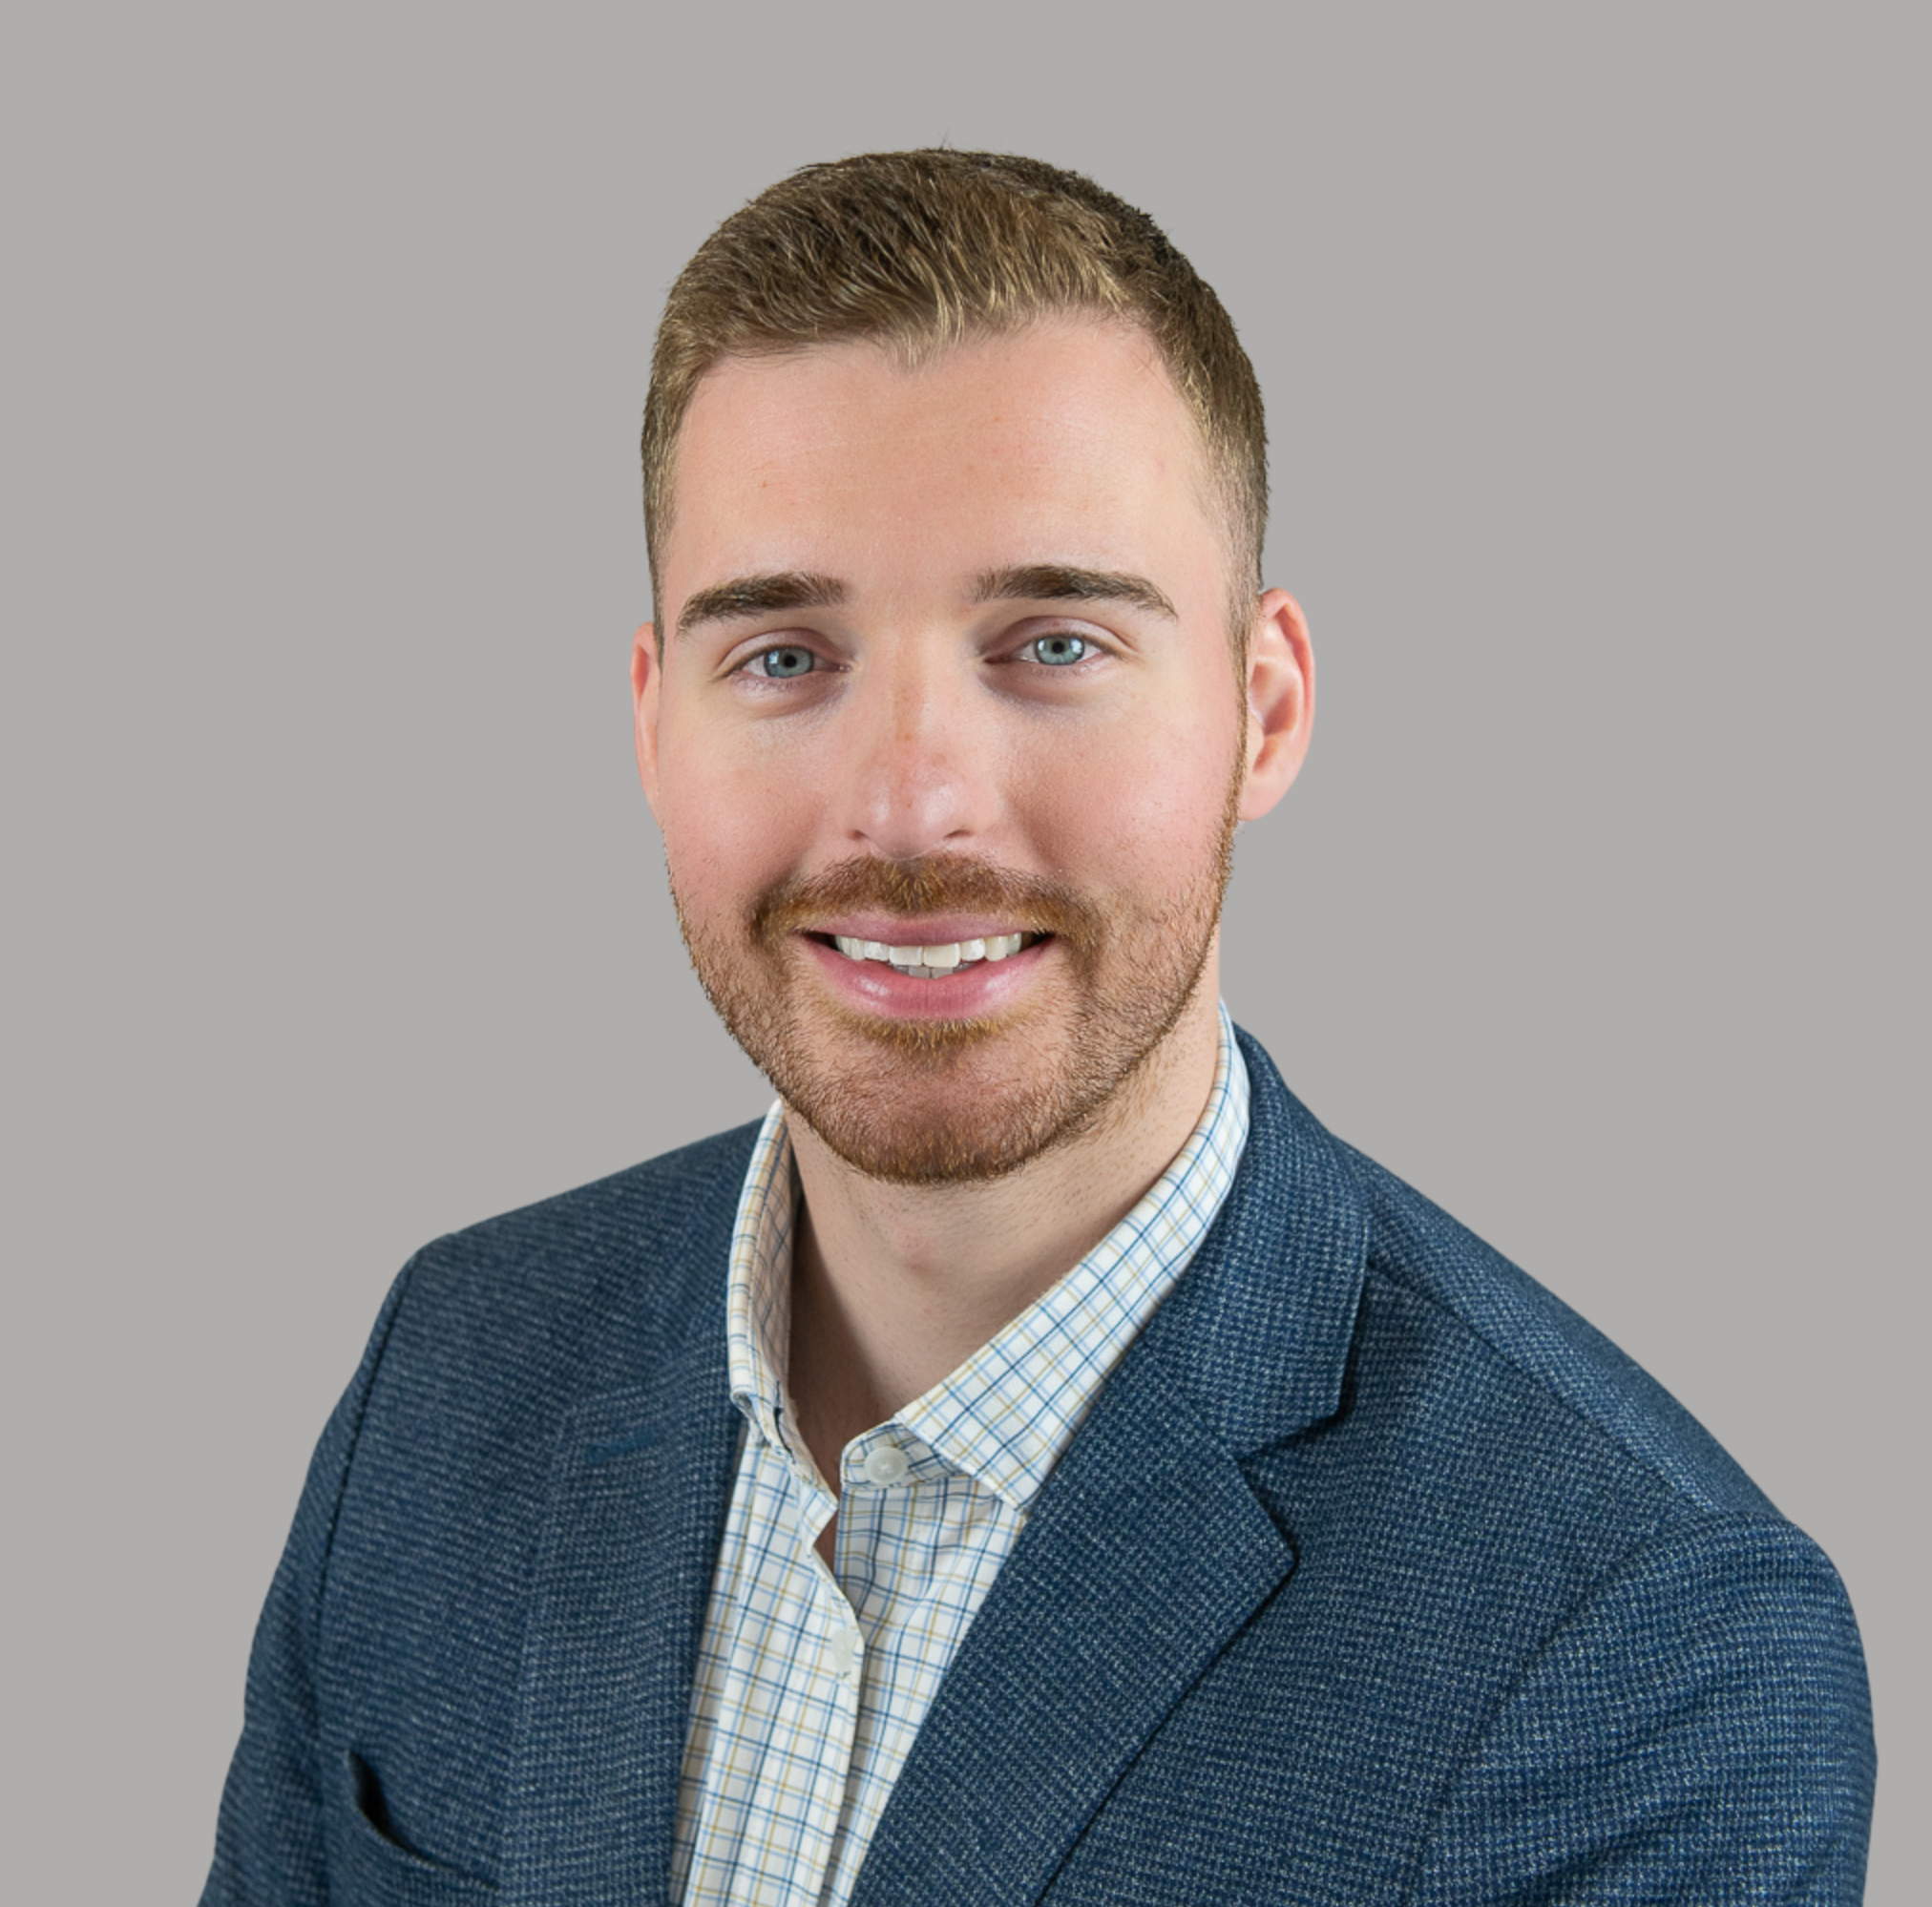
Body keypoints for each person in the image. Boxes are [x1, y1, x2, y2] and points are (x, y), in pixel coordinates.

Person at [202, 151, 1876, 1906]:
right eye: (781, 654)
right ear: (652, 723)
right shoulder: (455, 1368)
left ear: (1262, 709)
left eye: (1053, 642)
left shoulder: (1638, 1642)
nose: (914, 804)